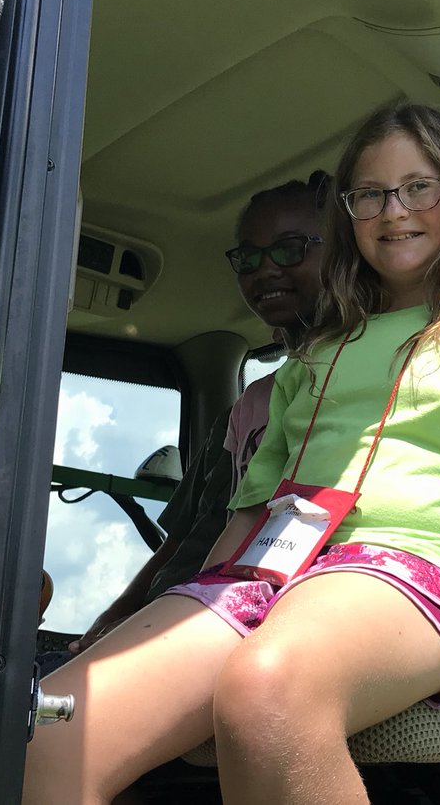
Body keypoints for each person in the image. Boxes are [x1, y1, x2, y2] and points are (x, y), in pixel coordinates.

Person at [22, 104, 440, 805]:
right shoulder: (316, 359)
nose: (393, 211)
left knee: (265, 687)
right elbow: (248, 522)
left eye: (418, 187)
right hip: (286, 578)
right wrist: (194, 614)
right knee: (52, 724)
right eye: (370, 194)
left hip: (436, 575)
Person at [63, 172, 329, 657]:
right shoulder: (245, 412)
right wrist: (120, 614)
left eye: (290, 248)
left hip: (248, 615)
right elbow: (188, 536)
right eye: (249, 258)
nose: (265, 269)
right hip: (185, 607)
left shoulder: (352, 392)